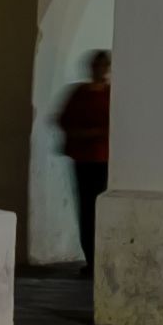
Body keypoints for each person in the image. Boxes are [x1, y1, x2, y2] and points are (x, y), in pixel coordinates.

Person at [51, 50, 113, 270]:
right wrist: (84, 134)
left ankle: (103, 257)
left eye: (103, 66)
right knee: (87, 208)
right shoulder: (79, 93)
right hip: (85, 158)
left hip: (106, 159)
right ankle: (92, 258)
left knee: (101, 208)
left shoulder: (112, 95)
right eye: (96, 66)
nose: (99, 70)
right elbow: (62, 119)